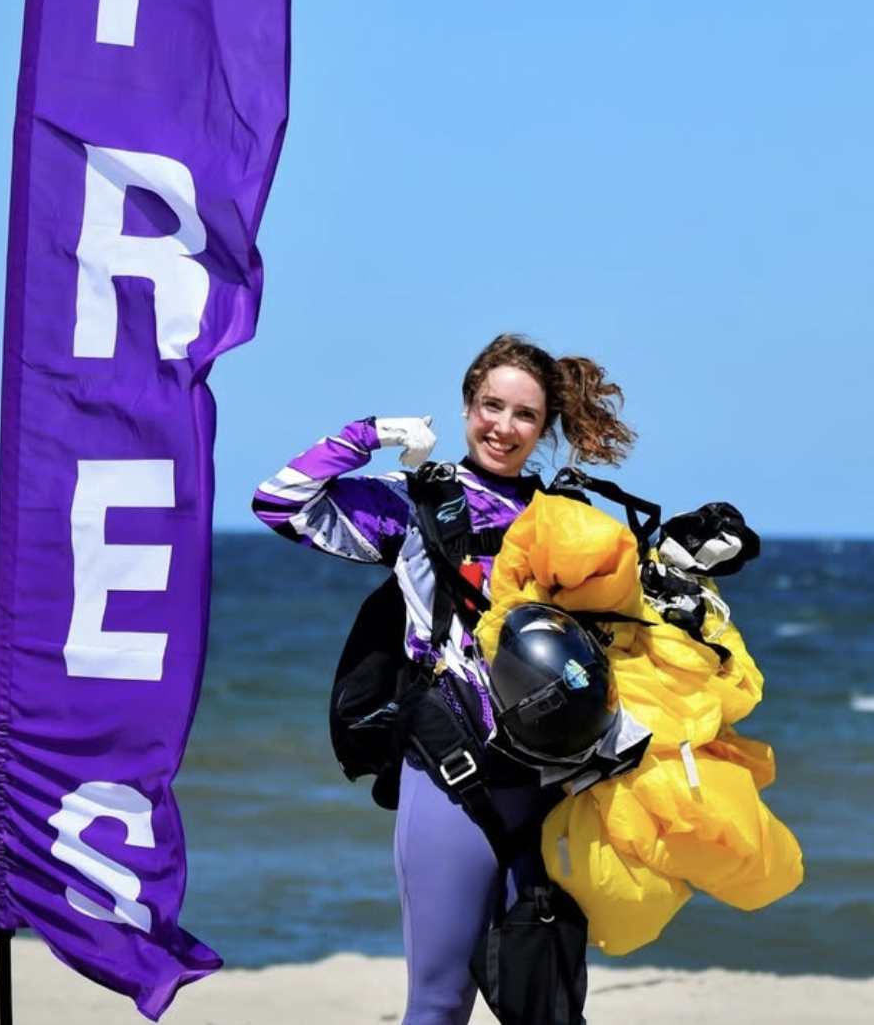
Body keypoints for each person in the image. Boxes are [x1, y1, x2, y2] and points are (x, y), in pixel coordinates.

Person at [252, 332, 636, 1025]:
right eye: (491, 406)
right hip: (453, 776)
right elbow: (280, 502)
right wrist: (370, 433)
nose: (504, 427)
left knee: (549, 1009)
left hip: (552, 786)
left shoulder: (564, 523)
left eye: (525, 414)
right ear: (466, 407)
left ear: (544, 427)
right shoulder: (415, 502)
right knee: (439, 1004)